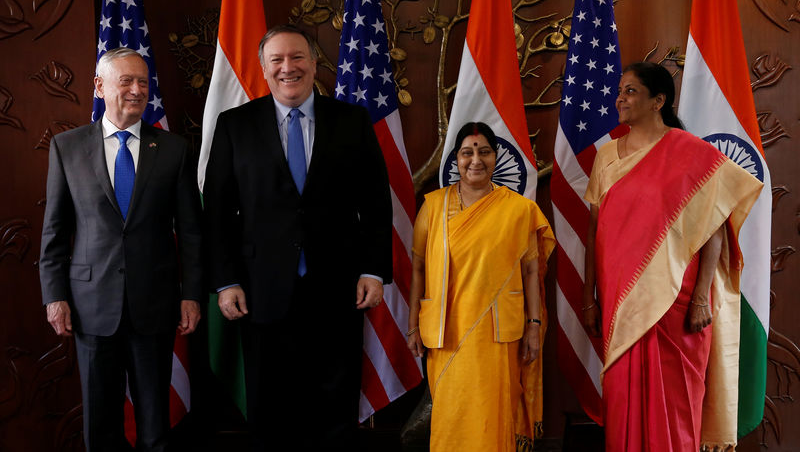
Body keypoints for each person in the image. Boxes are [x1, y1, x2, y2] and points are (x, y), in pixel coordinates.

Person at [203, 25, 392, 451]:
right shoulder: (235, 125)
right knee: (271, 406)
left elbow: (376, 203)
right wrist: (226, 279)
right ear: (264, 69)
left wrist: (373, 269)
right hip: (260, 289)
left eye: (298, 57)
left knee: (334, 403)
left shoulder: (352, 120)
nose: (288, 68)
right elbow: (217, 212)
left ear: (314, 62)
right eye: (277, 60)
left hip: (337, 287)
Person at [582, 62, 763, 451]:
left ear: (658, 101)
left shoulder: (691, 153)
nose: (620, 98)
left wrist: (701, 297)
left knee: (677, 400)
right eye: (620, 90)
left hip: (676, 300)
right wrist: (588, 297)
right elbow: (595, 231)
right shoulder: (606, 158)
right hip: (619, 297)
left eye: (630, 91)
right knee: (622, 394)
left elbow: (714, 228)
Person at [39, 47, 203, 451]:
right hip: (91, 307)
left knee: (154, 425)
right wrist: (54, 296)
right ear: (100, 86)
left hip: (155, 305)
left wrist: (192, 295)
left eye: (143, 82)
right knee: (101, 424)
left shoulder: (173, 149)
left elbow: (192, 232)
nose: (136, 90)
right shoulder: (67, 147)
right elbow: (55, 232)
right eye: (125, 81)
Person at [406, 122, 555, 452]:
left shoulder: (519, 209)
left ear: (496, 156)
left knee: (492, 413)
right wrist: (412, 323)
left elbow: (532, 272)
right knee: (451, 413)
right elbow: (417, 268)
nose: (476, 160)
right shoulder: (433, 206)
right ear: (456, 159)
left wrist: (534, 325)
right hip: (446, 330)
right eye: (467, 152)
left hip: (497, 332)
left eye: (484, 151)